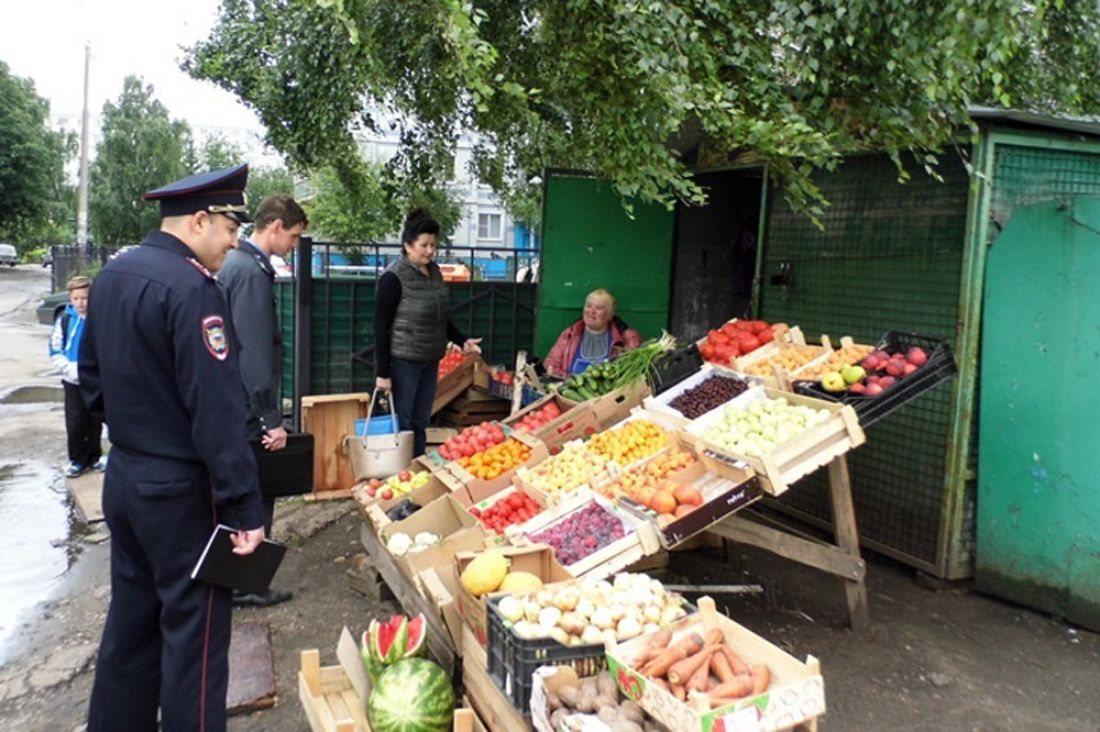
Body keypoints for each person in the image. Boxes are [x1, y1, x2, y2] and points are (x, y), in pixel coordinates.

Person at [80, 164, 265, 732]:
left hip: (127, 479)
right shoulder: (193, 289)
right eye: (230, 228)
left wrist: (137, 433)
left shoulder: (113, 276)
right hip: (183, 495)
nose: (235, 242)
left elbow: (90, 379)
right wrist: (242, 508)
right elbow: (217, 410)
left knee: (131, 628)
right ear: (199, 220)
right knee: (196, 640)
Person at [217, 194, 307, 608]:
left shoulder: (237, 265)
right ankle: (247, 583)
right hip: (246, 407)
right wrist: (270, 417)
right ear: (274, 226)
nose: (293, 244)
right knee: (255, 490)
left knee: (237, 489)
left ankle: (233, 579)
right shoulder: (251, 272)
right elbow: (253, 351)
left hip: (231, 403)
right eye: (292, 236)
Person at [374, 209, 482, 456]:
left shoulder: (434, 273)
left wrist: (461, 340)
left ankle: (418, 472)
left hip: (430, 359)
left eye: (433, 245)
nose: (430, 250)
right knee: (403, 423)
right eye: (424, 245)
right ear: (407, 245)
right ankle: (397, 476)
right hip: (403, 362)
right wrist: (383, 373)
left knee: (421, 422)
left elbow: (441, 316)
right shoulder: (393, 277)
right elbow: (381, 327)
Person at [48, 275, 105, 477]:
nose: (81, 303)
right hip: (72, 380)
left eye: (85, 298)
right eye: (76, 298)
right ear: (70, 299)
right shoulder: (64, 319)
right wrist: (68, 368)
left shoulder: (100, 319)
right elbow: (55, 348)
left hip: (95, 380)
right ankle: (77, 459)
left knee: (95, 419)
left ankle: (95, 457)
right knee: (75, 421)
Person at [542, 288, 642, 378]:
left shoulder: (627, 339)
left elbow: (633, 374)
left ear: (610, 314)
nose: (591, 311)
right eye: (588, 306)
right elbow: (551, 366)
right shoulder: (569, 334)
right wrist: (571, 383)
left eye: (599, 308)